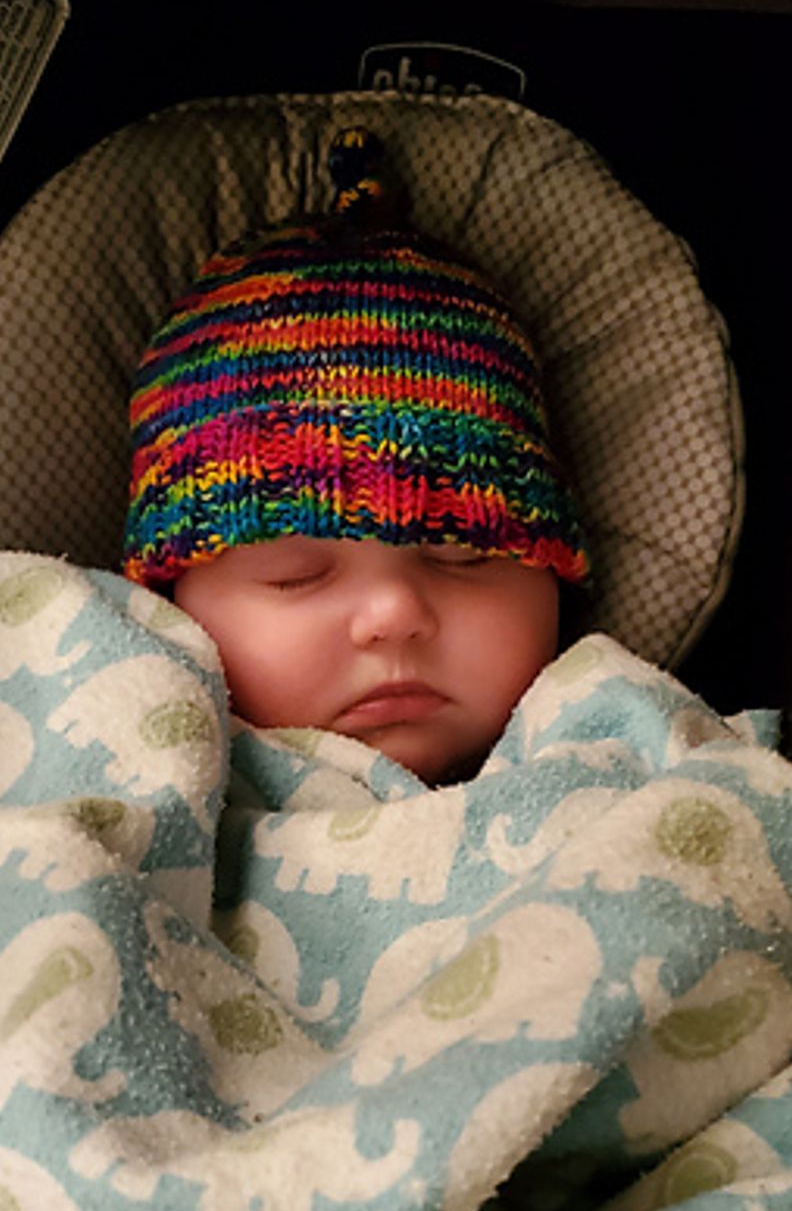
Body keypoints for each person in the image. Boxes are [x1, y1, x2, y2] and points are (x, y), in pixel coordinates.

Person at [121, 129, 589, 784]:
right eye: (293, 573)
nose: (394, 615)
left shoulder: (628, 751)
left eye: (466, 551)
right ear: (167, 603)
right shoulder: (112, 754)